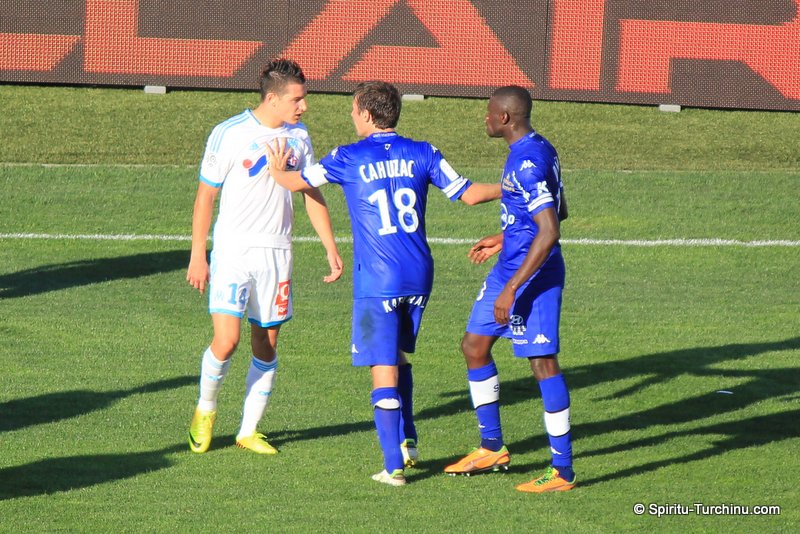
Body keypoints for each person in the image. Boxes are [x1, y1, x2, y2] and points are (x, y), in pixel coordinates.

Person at [265, 81, 501, 486]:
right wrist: (510, 185)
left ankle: (393, 466)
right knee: (400, 356)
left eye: (354, 109)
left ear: (368, 114)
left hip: (378, 279)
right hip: (419, 275)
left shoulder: (348, 157)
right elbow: (468, 194)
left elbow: (299, 182)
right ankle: (408, 441)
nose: (351, 115)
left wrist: (276, 170)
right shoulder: (424, 152)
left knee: (383, 368)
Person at [186, 58, 343, 455]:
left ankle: (248, 430)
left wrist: (330, 246)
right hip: (234, 249)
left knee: (266, 343)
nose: (304, 106)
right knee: (227, 340)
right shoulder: (228, 133)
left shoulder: (300, 136)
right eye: (297, 99)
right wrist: (198, 255)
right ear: (273, 99)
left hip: (277, 252)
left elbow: (309, 191)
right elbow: (206, 196)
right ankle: (206, 409)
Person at [443, 85, 575, 493]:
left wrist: (512, 289)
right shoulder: (535, 148)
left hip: (533, 277)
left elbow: (550, 229)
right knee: (474, 346)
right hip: (509, 268)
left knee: (542, 363)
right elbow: (558, 208)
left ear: (504, 118)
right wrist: (505, 238)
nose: (484, 118)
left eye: (488, 113)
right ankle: (492, 448)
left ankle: (562, 470)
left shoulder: (528, 162)